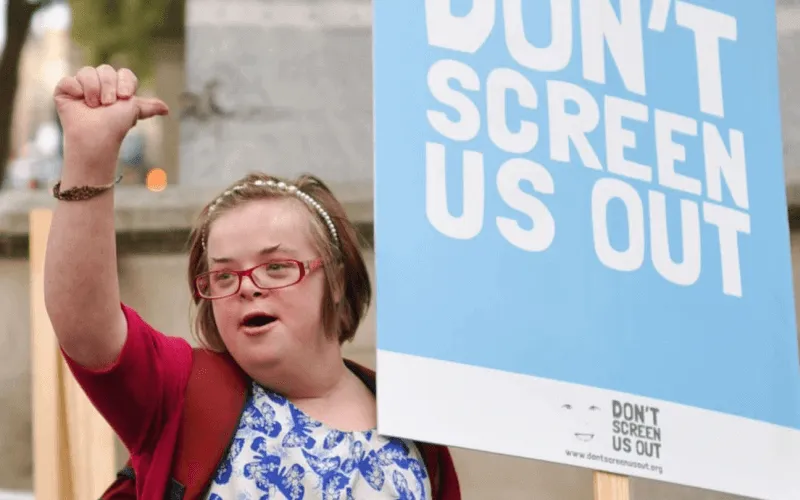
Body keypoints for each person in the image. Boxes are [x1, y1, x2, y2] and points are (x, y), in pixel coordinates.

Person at [44, 64, 461, 499]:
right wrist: (89, 155)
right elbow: (85, 326)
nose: (247, 286)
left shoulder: (415, 421)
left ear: (336, 281)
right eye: (223, 275)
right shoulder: (182, 393)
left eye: (276, 267)